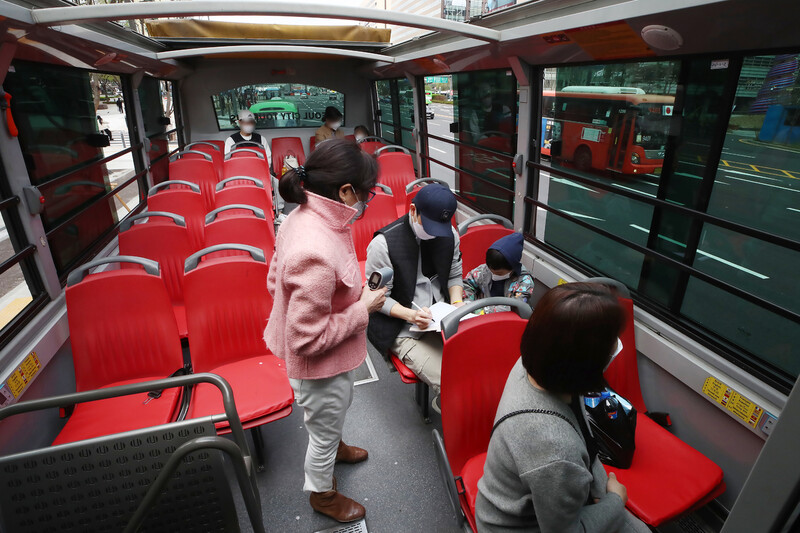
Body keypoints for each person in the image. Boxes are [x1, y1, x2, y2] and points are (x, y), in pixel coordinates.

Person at [264, 139, 385, 524]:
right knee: (321, 431)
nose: (366, 201)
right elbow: (307, 339)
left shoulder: (301, 216)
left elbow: (273, 280)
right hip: (319, 366)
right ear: (346, 191)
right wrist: (361, 308)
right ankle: (323, 493)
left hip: (332, 356)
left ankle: (335, 443)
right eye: (366, 193)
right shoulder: (314, 247)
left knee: (333, 413)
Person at [475, 283, 650, 533]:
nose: (617, 346)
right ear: (585, 363)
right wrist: (615, 500)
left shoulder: (539, 365)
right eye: (611, 341)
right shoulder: (554, 448)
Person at [365, 184, 464, 395]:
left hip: (439, 318)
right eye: (429, 226)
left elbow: (454, 274)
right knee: (452, 380)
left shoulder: (450, 235)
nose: (435, 234)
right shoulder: (383, 245)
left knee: (474, 365)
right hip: (402, 326)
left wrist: (456, 304)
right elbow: (378, 298)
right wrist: (412, 315)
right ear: (412, 211)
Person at [463, 232, 534, 313]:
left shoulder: (524, 281)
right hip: (480, 310)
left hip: (508, 318)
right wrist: (468, 303)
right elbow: (467, 284)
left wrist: (484, 312)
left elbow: (516, 306)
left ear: (513, 268)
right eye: (491, 271)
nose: (494, 275)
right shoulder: (483, 271)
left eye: (499, 273)